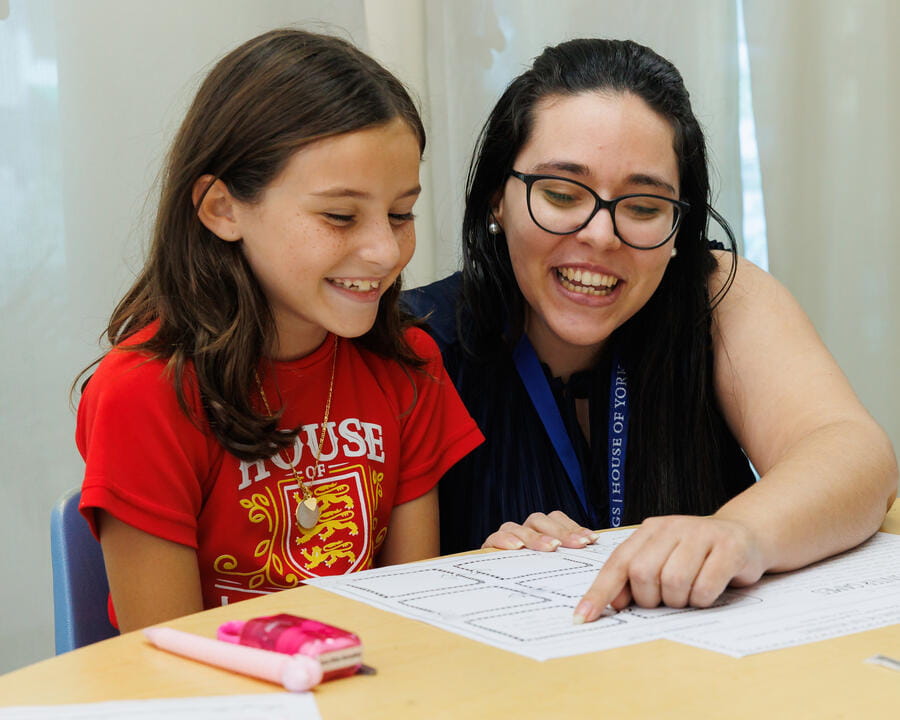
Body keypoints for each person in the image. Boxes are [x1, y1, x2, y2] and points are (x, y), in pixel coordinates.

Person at [404, 38, 897, 624]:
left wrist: (739, 533)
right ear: (496, 200)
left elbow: (856, 454)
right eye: (562, 194)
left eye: (642, 207)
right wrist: (466, 581)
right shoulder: (415, 343)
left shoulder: (716, 293)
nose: (602, 235)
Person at [75, 28, 483, 633]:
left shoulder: (409, 365)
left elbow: (409, 622)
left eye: (401, 214)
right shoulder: (144, 393)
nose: (383, 249)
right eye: (339, 216)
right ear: (222, 208)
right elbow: (166, 666)